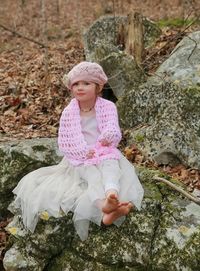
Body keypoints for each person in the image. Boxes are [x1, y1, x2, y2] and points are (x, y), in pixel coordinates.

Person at [12, 61, 144, 241]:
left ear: (98, 86)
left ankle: (111, 194)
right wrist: (83, 151)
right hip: (80, 157)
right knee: (91, 176)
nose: (80, 88)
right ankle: (104, 206)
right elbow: (65, 141)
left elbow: (113, 129)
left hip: (104, 150)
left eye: (86, 83)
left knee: (111, 168)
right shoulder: (69, 112)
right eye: (75, 84)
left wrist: (105, 138)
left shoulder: (108, 107)